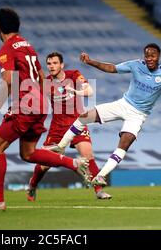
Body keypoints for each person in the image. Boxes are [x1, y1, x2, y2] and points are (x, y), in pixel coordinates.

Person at [0, 8, 90, 211]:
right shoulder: (28, 46)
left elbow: (8, 80)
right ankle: (74, 164)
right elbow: (42, 76)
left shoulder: (7, 48)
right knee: (28, 153)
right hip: (39, 104)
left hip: (26, 105)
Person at [48, 44, 161, 187]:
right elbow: (111, 68)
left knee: (124, 144)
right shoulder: (136, 65)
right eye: (147, 56)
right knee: (84, 116)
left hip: (138, 115)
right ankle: (61, 146)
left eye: (153, 56)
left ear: (159, 56)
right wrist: (90, 61)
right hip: (123, 104)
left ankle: (101, 175)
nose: (149, 59)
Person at [27, 52, 112, 201]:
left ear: (62, 65)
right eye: (49, 64)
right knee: (44, 165)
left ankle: (98, 190)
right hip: (57, 127)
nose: (51, 66)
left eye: (54, 63)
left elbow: (90, 91)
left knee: (87, 154)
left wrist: (77, 91)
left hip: (77, 123)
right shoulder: (46, 83)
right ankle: (32, 185)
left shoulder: (73, 75)